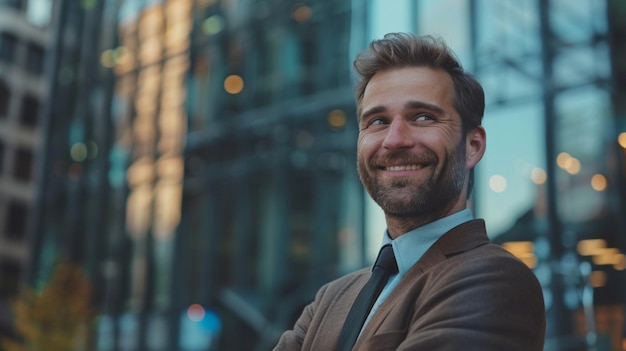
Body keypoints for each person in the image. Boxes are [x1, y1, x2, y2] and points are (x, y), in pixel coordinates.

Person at [273, 33, 546, 351]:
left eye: (423, 117)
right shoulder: (329, 299)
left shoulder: (496, 280)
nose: (395, 139)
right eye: (377, 121)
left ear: (472, 146)